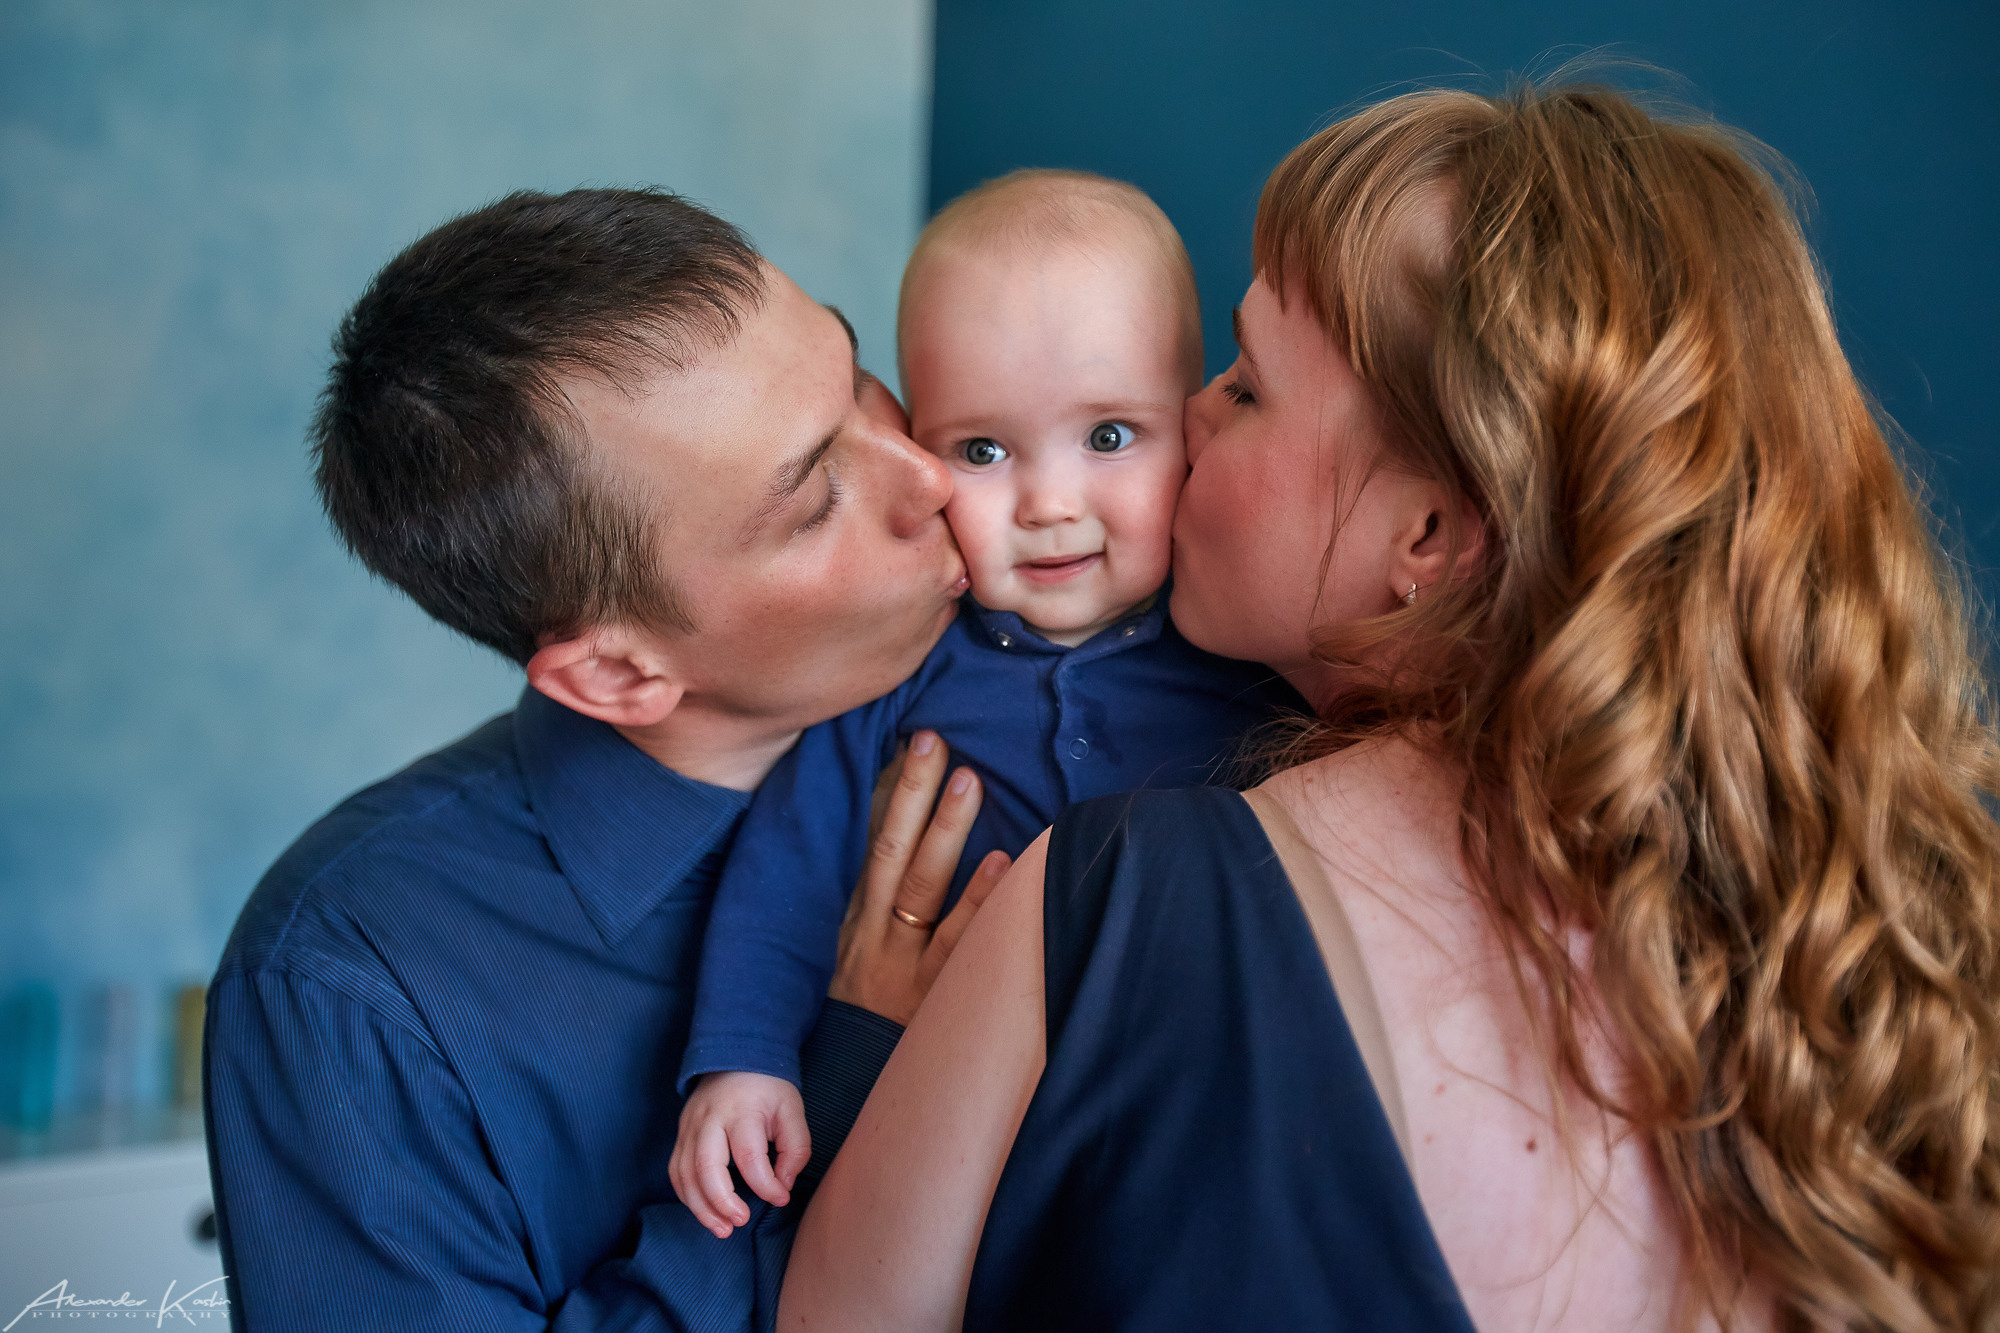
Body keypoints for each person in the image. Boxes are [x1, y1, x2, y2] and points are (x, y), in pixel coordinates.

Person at [781, 83, 2000, 1332]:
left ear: (1423, 533)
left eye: (1244, 386)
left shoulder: (1109, 902)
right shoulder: (1880, 959)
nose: (1186, 417)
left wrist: (863, 1040)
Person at [203, 189, 1002, 1331]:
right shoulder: (350, 989)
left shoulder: (1102, 684)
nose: (932, 475)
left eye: (859, 377)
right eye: (816, 495)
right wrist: (848, 1077)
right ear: (621, 675)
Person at [668, 170, 1305, 1236]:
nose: (1049, 504)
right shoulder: (905, 661)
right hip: (953, 1124)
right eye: (983, 450)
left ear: (1192, 425)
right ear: (919, 453)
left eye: (1110, 436)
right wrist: (744, 1058)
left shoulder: (1251, 659)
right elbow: (789, 866)